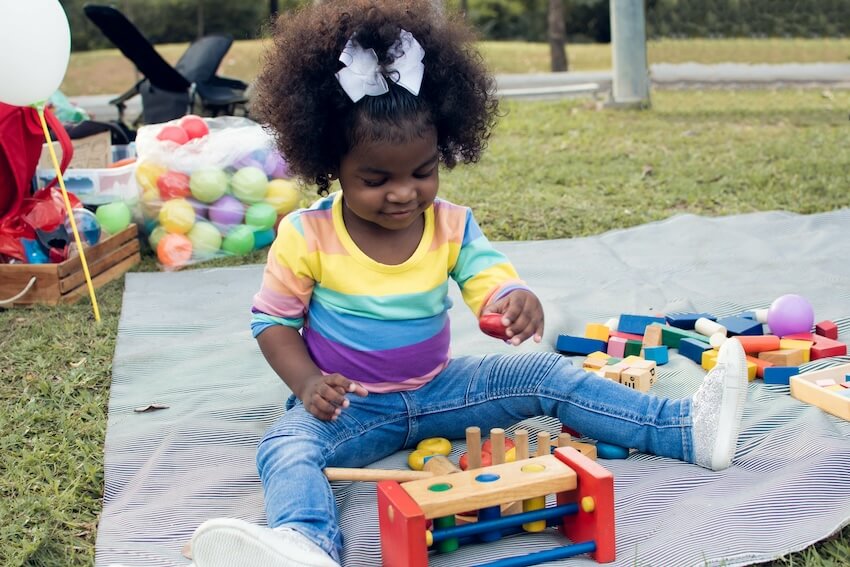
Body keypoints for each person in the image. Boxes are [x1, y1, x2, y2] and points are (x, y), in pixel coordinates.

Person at [187, 2, 749, 566]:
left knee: (546, 372)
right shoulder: (305, 235)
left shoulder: (452, 224)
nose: (403, 193)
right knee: (285, 447)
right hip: (351, 406)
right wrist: (308, 384)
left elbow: (488, 280)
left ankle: (683, 429)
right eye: (376, 179)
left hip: (440, 389)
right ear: (330, 164)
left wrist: (513, 301)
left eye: (422, 172)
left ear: (444, 153)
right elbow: (273, 322)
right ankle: (304, 543)